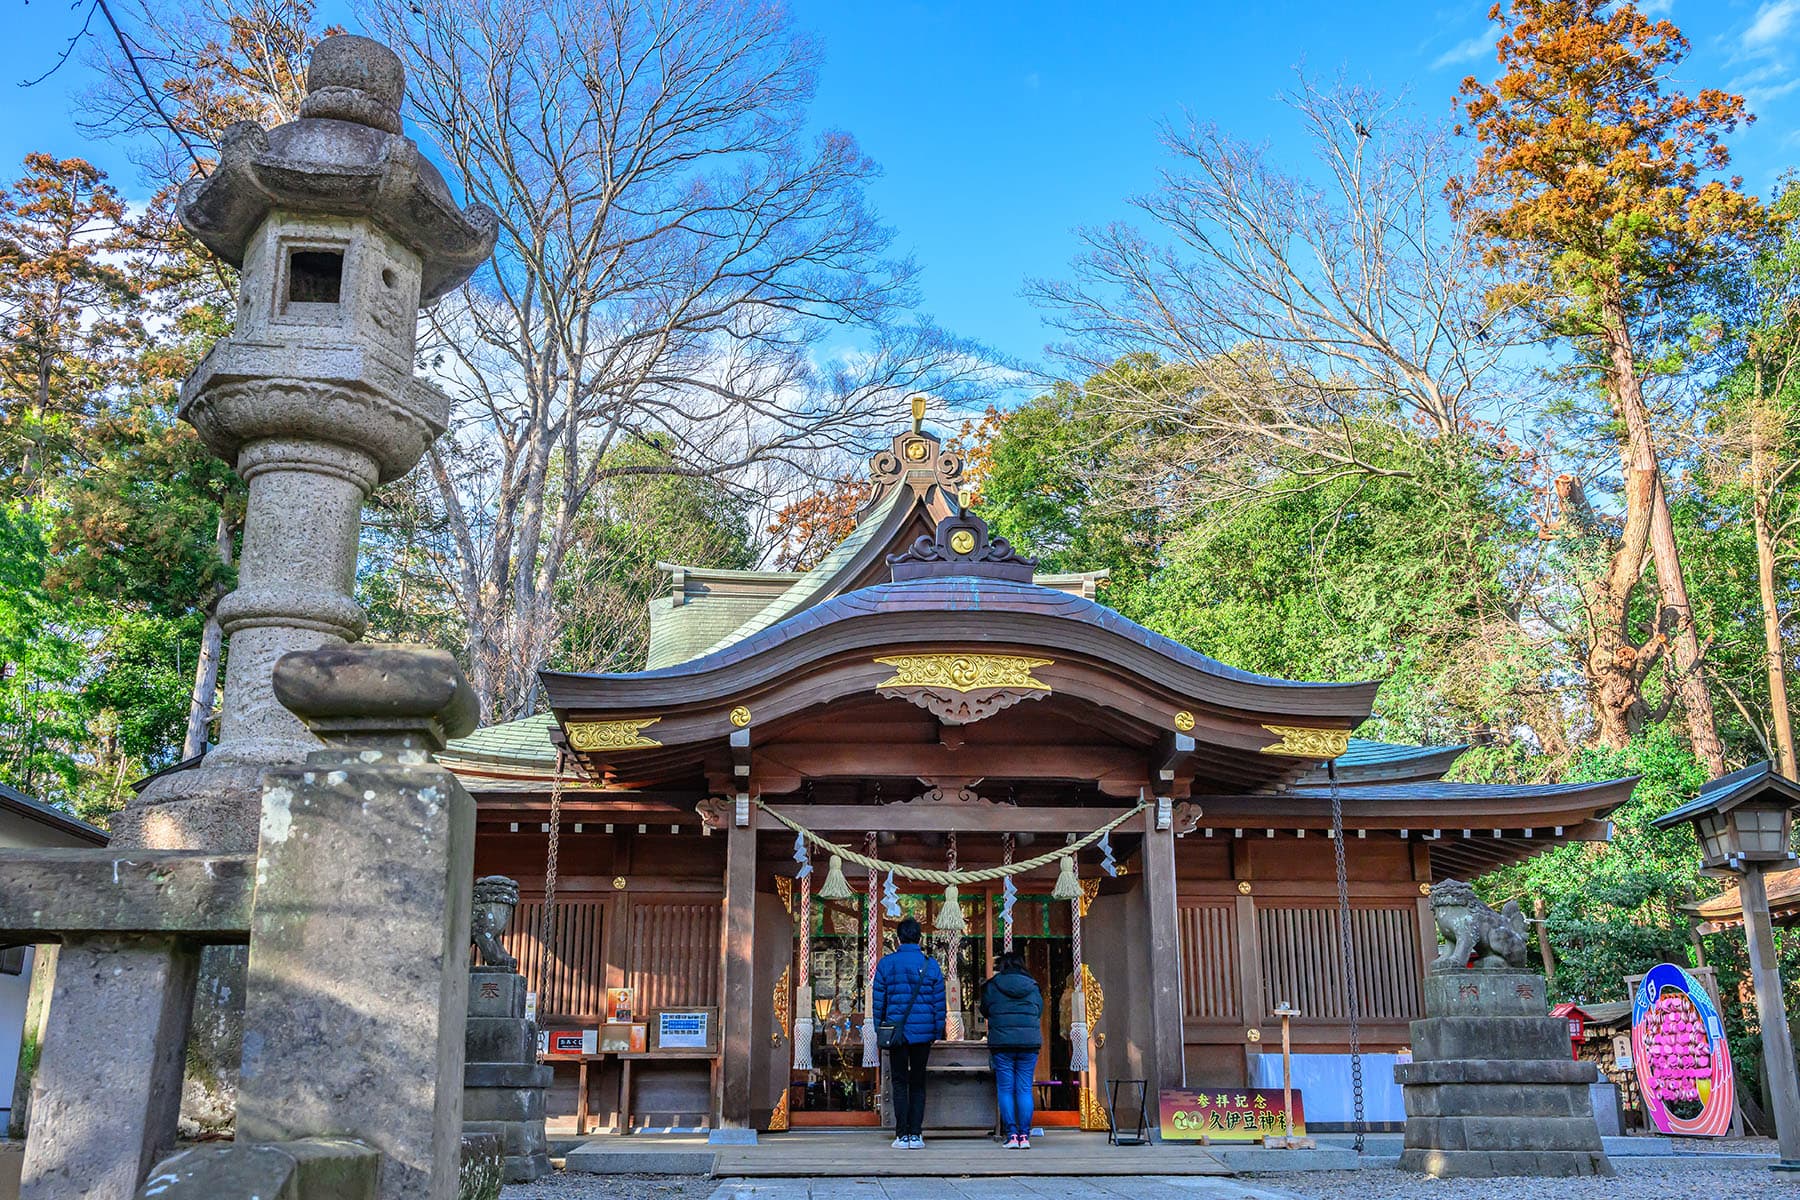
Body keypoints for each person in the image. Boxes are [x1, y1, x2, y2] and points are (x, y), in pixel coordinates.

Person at [870, 915, 946, 1149]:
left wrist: (879, 1031)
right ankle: (917, 1134)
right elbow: (939, 1003)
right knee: (918, 1082)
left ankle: (901, 1134)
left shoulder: (886, 964)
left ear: (898, 938)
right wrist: (936, 1030)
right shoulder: (930, 965)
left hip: (896, 1034)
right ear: (919, 938)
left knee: (899, 1082)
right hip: (923, 1034)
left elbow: (878, 1002)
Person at [980, 949, 1044, 1149]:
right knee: (1024, 1088)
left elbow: (985, 1009)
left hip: (1002, 1043)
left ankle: (1012, 1135)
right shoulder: (1033, 986)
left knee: (1006, 1088)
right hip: (1028, 1042)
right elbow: (1038, 1010)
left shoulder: (993, 986)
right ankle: (1025, 1136)